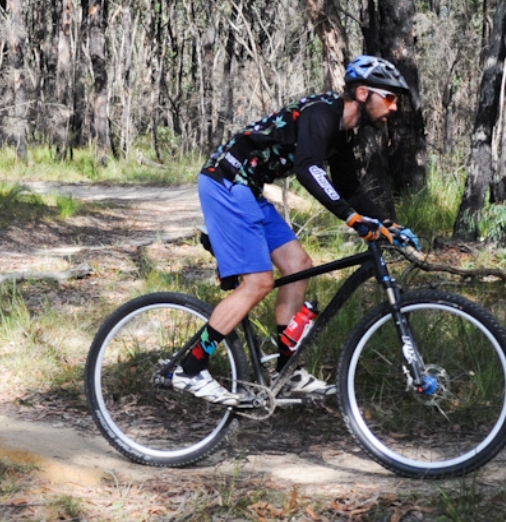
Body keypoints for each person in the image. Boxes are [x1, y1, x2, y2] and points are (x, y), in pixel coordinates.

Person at [171, 55, 421, 407]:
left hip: (248, 189)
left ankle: (287, 374)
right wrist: (352, 219)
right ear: (363, 93)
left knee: (299, 266)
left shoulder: (342, 132)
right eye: (390, 97)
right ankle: (191, 368)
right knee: (258, 282)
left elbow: (350, 188)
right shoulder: (322, 114)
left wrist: (389, 224)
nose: (394, 107)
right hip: (226, 182)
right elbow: (308, 169)